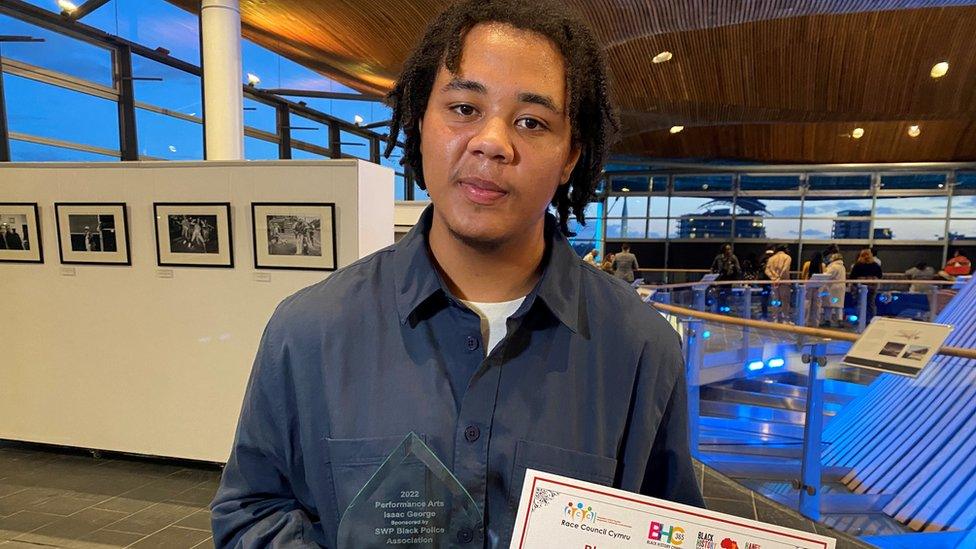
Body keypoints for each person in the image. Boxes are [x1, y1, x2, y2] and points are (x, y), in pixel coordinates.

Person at [210, 2, 703, 547]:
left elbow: (671, 528)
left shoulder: (640, 348)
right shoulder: (309, 330)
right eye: (465, 108)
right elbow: (251, 512)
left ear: (570, 157)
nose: (492, 142)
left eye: (531, 122)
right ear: (420, 122)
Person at [849, 249, 883, 323]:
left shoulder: (858, 265)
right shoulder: (875, 265)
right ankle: (872, 320)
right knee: (871, 303)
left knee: (860, 303)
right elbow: (880, 275)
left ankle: (860, 319)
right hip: (872, 287)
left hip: (861, 286)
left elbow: (852, 276)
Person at [764, 244, 792, 322]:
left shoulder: (771, 258)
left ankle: (775, 319)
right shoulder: (787, 257)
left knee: (775, 301)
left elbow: (766, 270)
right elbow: (785, 269)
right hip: (784, 282)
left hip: (774, 283)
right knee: (785, 302)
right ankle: (785, 319)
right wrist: (779, 278)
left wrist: (774, 278)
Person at [822, 245, 847, 327]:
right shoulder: (842, 266)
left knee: (828, 305)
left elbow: (827, 275)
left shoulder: (833, 266)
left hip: (832, 288)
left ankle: (827, 320)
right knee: (839, 306)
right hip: (840, 288)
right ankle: (840, 320)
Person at [710, 244, 740, 311]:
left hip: (729, 280)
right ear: (724, 250)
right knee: (719, 297)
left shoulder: (733, 258)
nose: (729, 251)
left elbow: (738, 269)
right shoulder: (719, 258)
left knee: (727, 296)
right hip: (720, 280)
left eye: (730, 249)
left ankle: (726, 311)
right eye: (727, 249)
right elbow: (712, 268)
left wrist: (733, 268)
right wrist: (712, 277)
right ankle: (719, 312)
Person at [801, 250, 824, 326]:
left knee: (807, 303)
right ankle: (816, 322)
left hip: (808, 285)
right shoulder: (822, 265)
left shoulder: (807, 264)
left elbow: (803, 275)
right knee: (817, 305)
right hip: (818, 286)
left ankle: (805, 321)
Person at [757, 244, 775, 320]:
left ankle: (765, 314)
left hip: (766, 281)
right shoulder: (769, 259)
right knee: (767, 298)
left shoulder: (762, 257)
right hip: (768, 281)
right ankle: (766, 314)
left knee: (765, 298)